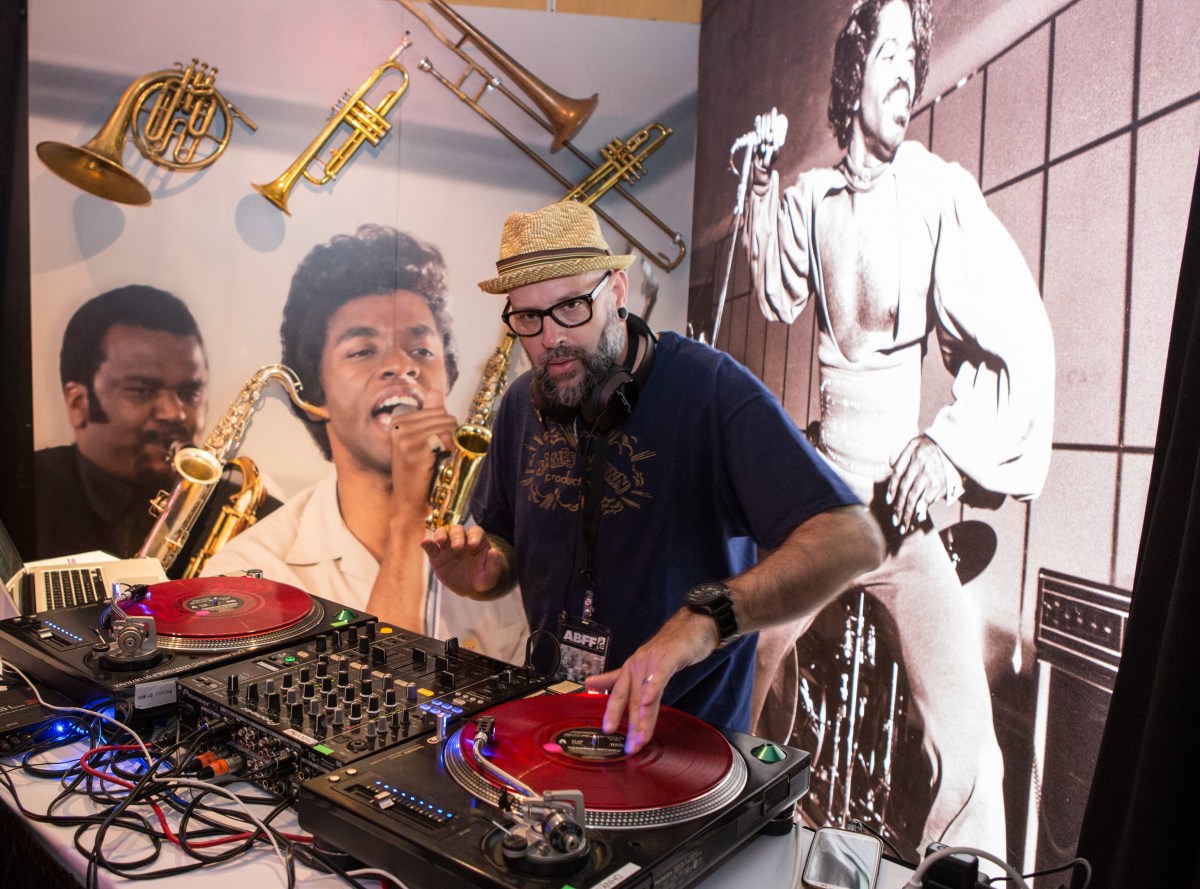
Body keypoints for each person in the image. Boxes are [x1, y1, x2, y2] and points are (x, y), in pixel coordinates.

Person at [742, 0, 1055, 854]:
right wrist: (762, 185)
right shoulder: (812, 199)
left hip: (900, 515)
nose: (906, 72)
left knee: (972, 746)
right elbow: (777, 290)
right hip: (820, 499)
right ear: (851, 78)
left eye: (913, 59)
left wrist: (949, 445)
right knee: (740, 668)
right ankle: (726, 838)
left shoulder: (935, 192)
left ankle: (968, 870)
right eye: (887, 54)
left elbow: (1018, 330)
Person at [422, 200, 884, 754]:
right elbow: (504, 552)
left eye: (570, 307)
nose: (550, 338)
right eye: (528, 318)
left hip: (689, 751)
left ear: (617, 292)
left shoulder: (710, 389)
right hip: (558, 733)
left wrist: (703, 619)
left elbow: (852, 539)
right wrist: (483, 570)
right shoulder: (522, 404)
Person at [203, 225, 528, 664]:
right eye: (362, 351)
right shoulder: (253, 570)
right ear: (316, 391)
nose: (400, 367)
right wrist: (409, 519)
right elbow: (379, 692)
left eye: (421, 350)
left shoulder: (495, 548)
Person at [34, 285, 210, 561]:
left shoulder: (236, 504)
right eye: (142, 390)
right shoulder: (23, 494)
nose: (175, 414)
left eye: (190, 393)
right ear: (79, 404)